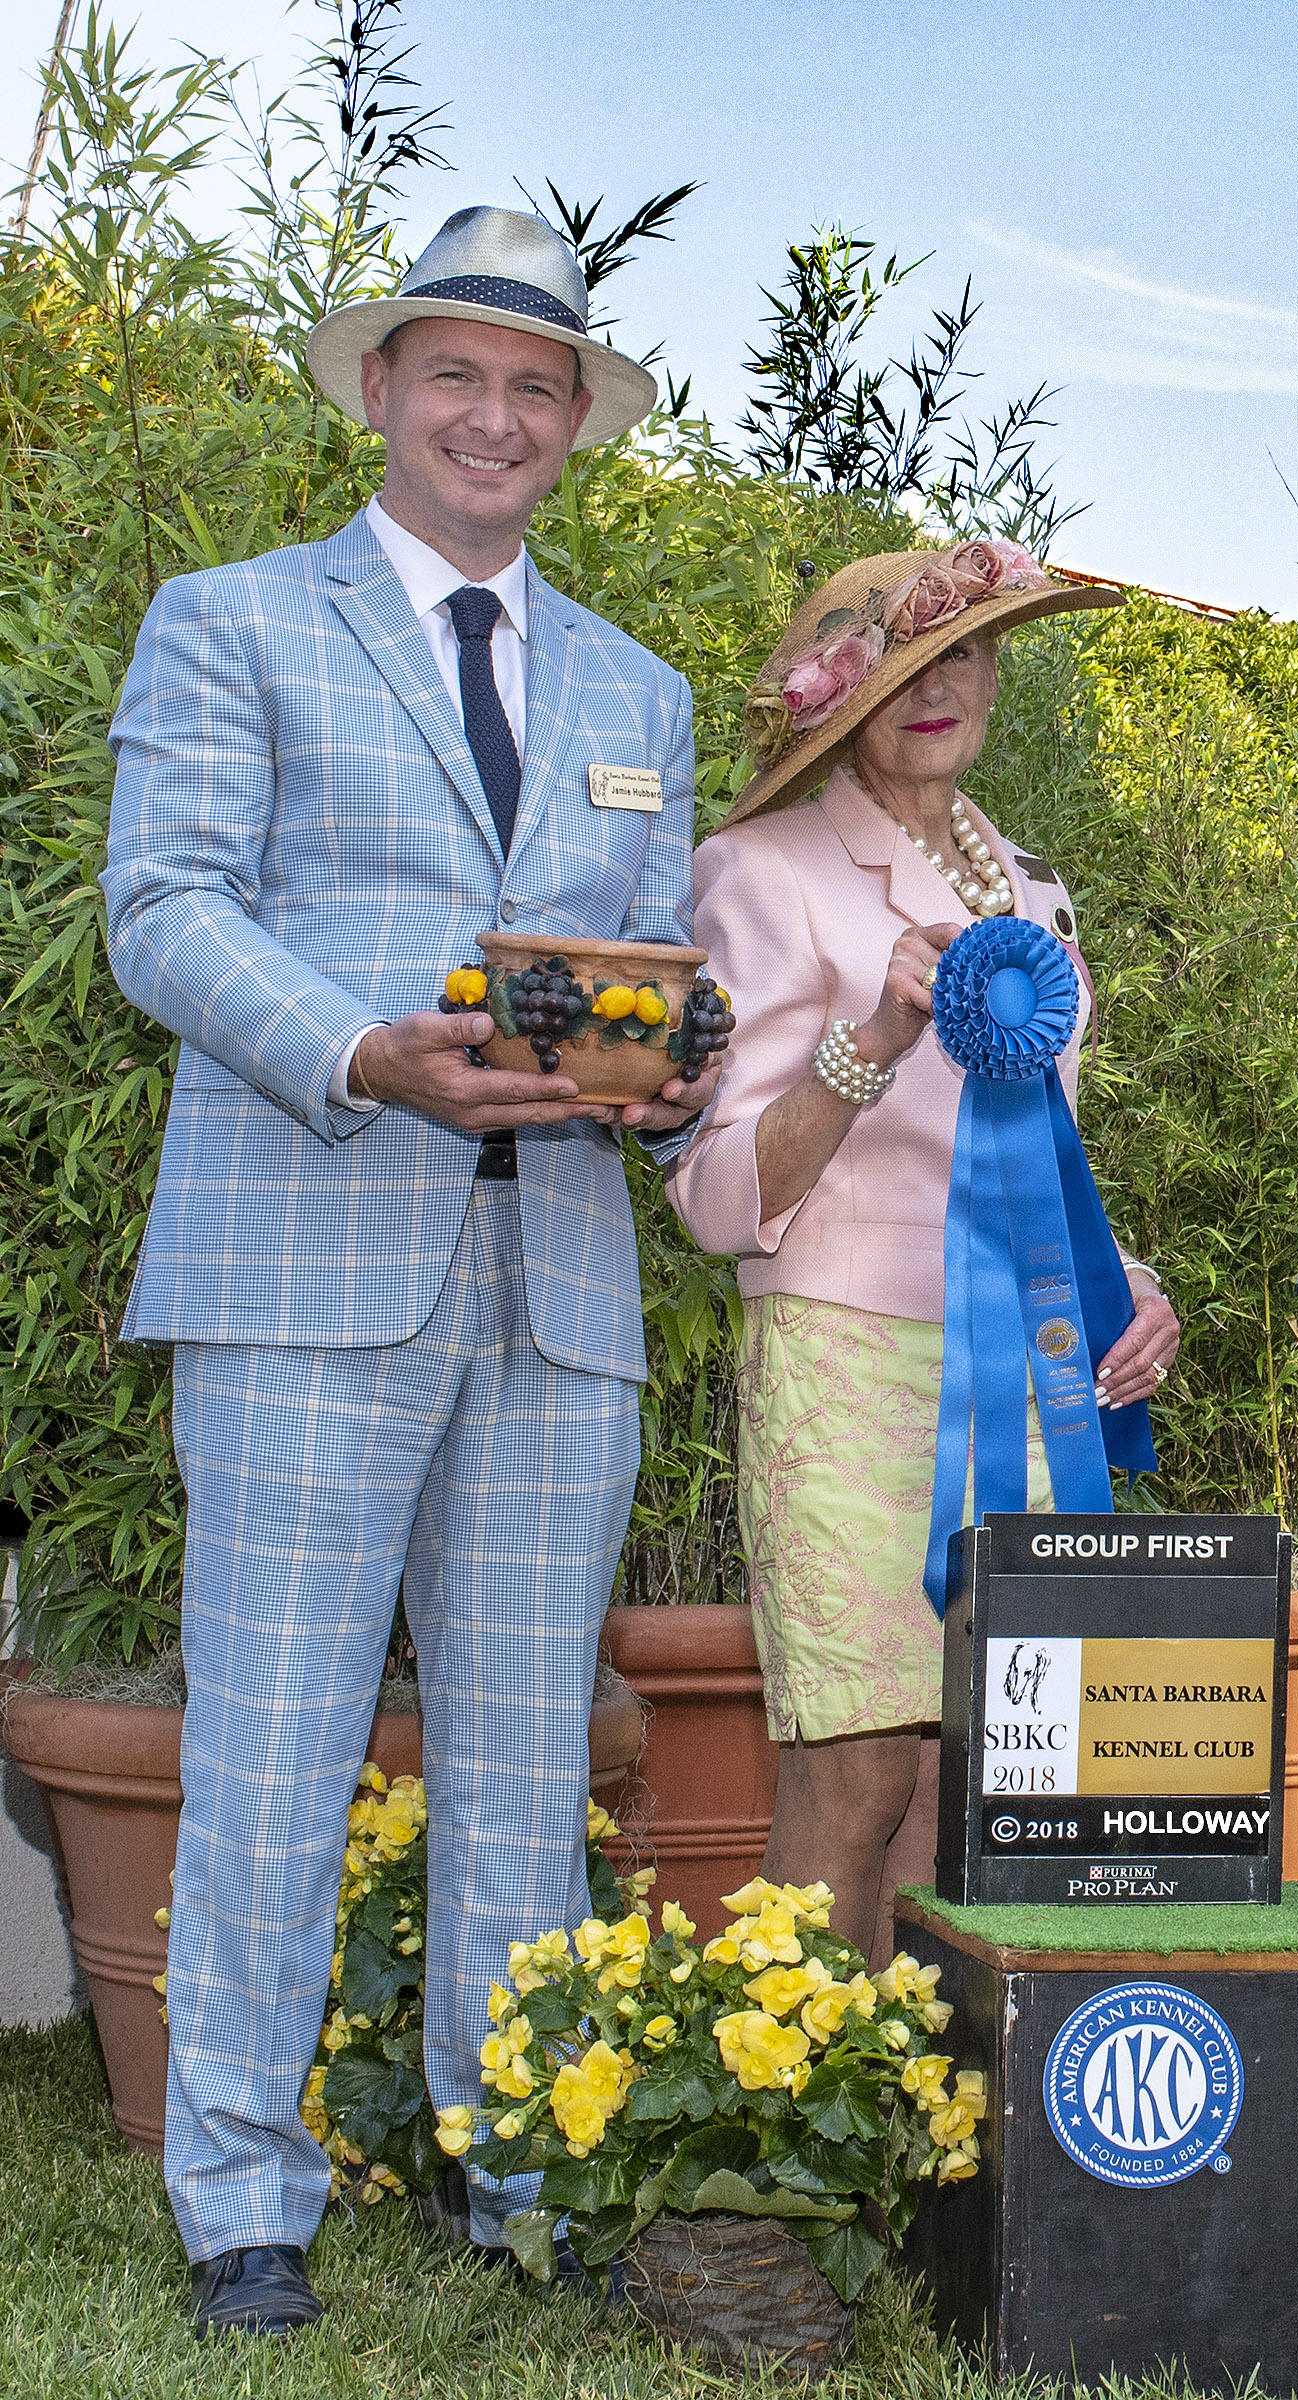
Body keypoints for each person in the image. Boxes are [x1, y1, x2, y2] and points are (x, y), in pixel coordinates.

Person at [101, 208, 717, 2337]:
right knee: (272, 1746)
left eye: (537, 385)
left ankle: (517, 2165)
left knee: (530, 1765)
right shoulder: (232, 621)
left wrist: (669, 1076)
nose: (495, 415)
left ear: (578, 425)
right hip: (303, 1253)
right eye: (456, 372)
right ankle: (240, 2198)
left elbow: (648, 970)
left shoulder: (641, 689)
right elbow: (162, 910)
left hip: (561, 1287)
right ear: (379, 389)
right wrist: (363, 1050)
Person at [667, 544, 1181, 1963]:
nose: (936, 686)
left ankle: (958, 2106)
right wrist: (874, 1041)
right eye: (899, 663)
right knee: (856, 1777)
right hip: (843, 1365)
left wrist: (1125, 1287)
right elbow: (714, 1193)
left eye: (961, 653)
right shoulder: (756, 871)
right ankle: (798, 2098)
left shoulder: (1030, 885)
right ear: (837, 698)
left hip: (1035, 1372)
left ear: (997, 671)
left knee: (1002, 1782)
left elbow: (1043, 1153)